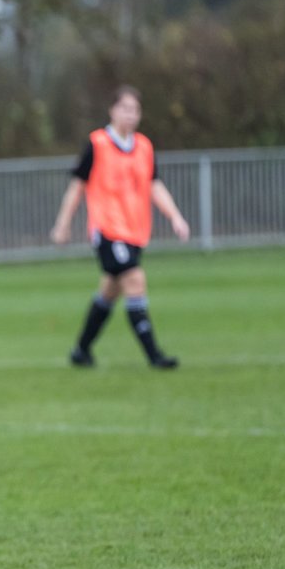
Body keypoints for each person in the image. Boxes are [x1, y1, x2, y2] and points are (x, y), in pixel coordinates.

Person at [50, 84, 189, 369]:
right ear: (112, 110)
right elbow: (77, 187)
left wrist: (174, 215)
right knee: (135, 280)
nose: (130, 115)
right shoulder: (98, 143)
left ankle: (81, 351)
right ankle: (154, 356)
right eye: (125, 108)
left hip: (135, 230)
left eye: (135, 110)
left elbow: (154, 184)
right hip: (108, 229)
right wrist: (62, 224)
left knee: (110, 291)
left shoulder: (144, 147)